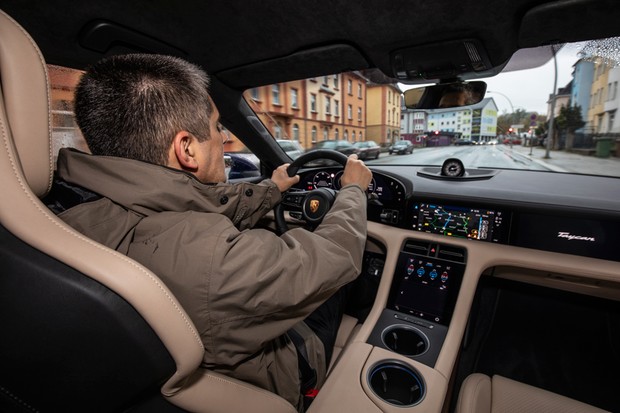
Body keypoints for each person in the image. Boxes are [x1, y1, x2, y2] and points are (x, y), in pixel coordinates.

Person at [47, 53, 372, 411]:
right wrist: (353, 191)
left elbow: (190, 201)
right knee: (334, 289)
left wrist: (272, 190)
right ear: (186, 148)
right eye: (219, 127)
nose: (223, 137)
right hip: (274, 380)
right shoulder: (211, 258)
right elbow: (333, 255)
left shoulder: (71, 211)